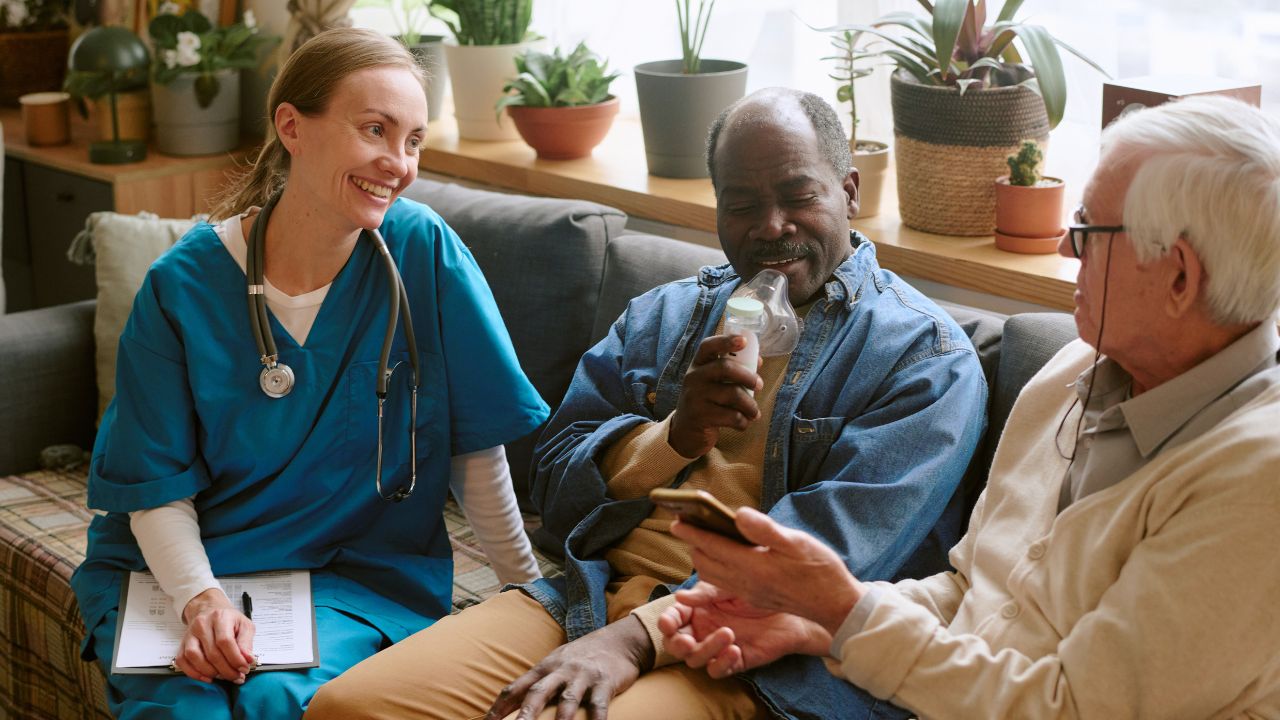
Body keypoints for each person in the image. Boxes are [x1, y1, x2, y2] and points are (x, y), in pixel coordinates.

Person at [306, 87, 988, 720]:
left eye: (798, 196)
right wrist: (674, 437)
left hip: (749, 655)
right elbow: (552, 487)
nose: (772, 226)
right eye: (743, 203)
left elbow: (816, 570)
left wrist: (633, 640)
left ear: (849, 192)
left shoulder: (924, 359)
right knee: (349, 708)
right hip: (589, 593)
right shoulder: (666, 316)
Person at [659, 95, 1280, 718]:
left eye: (1088, 229)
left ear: (1179, 277)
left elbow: (1073, 708)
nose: (1066, 248)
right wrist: (820, 622)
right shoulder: (1074, 370)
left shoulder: (1257, 480)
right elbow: (970, 593)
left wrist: (845, 612)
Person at [70, 28, 550, 719]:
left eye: (413, 140)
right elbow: (153, 485)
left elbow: (476, 446)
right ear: (292, 126)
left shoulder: (422, 252)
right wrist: (202, 601)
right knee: (186, 708)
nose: (397, 163)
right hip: (181, 571)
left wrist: (529, 602)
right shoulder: (180, 288)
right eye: (375, 130)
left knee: (279, 699)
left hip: (355, 573)